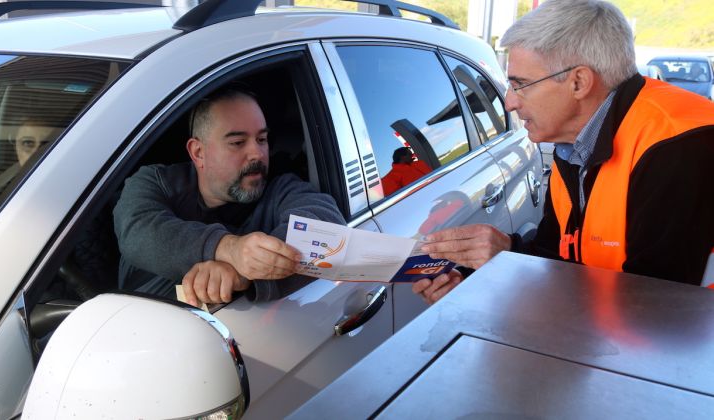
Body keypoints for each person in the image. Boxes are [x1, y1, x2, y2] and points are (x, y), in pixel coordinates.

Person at [414, 0, 714, 304]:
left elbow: (654, 307)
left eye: (521, 85)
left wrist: (506, 272)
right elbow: (556, 254)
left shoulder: (680, 146)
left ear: (579, 82)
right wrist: (490, 268)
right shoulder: (575, 143)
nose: (509, 102)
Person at [113, 86, 344, 306]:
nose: (257, 153)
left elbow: (329, 231)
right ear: (198, 152)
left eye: (262, 139)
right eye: (237, 142)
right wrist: (227, 249)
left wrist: (242, 272)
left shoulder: (282, 190)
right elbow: (136, 227)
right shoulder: (157, 183)